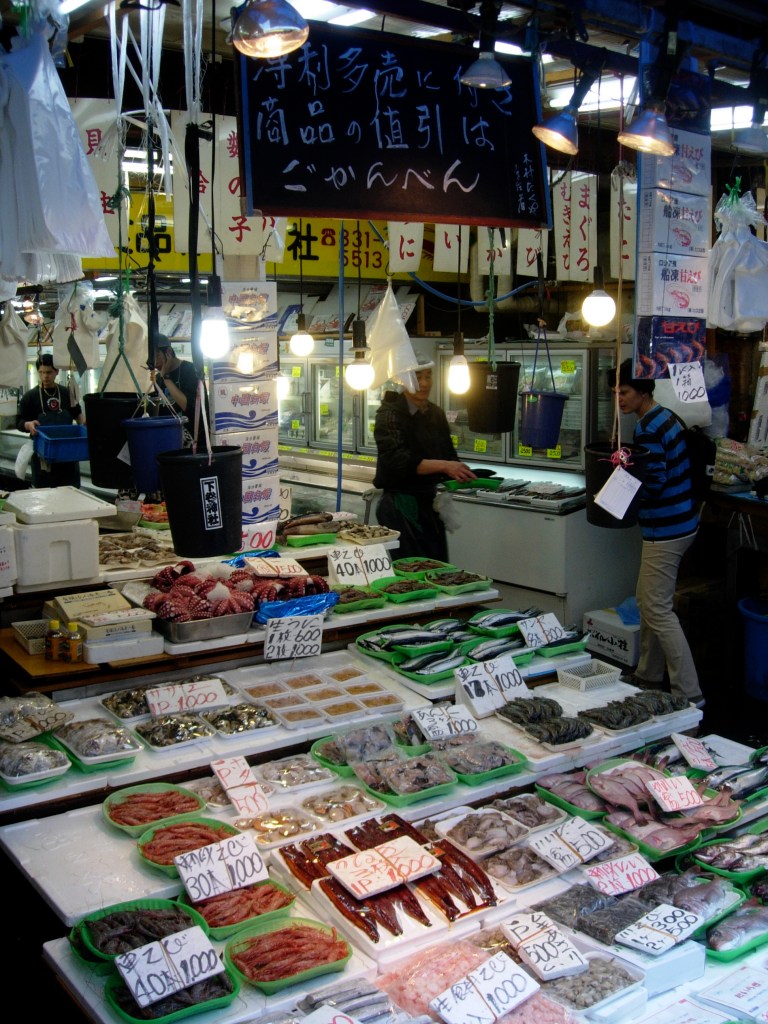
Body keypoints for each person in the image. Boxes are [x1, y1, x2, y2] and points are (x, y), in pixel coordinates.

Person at [611, 358, 705, 709]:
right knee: (649, 601)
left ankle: (689, 693)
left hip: (666, 528)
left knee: (657, 609)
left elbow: (655, 481)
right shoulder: (664, 416)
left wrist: (620, 490)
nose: (619, 399)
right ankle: (648, 676)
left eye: (625, 392)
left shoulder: (648, 428)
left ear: (644, 391)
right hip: (681, 522)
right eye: (616, 392)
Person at [373, 355, 477, 560]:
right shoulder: (389, 414)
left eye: (428, 377)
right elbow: (398, 460)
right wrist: (445, 466)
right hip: (400, 504)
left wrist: (459, 472)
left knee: (437, 565)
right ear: (403, 380)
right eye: (418, 378)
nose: (425, 383)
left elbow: (448, 454)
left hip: (428, 504)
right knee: (412, 567)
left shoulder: (436, 414)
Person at [17, 353, 83, 487]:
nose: (45, 376)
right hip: (43, 457)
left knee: (71, 494)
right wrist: (28, 424)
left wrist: (84, 425)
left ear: (57, 371)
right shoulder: (30, 397)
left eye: (49, 372)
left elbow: (78, 414)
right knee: (45, 496)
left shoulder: (66, 393)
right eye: (41, 372)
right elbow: (19, 422)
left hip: (68, 454)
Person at [153, 336, 209, 447]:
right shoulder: (158, 378)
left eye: (156, 356)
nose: (154, 362)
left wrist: (166, 378)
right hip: (169, 440)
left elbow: (187, 406)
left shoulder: (191, 371)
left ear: (168, 352)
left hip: (194, 442)